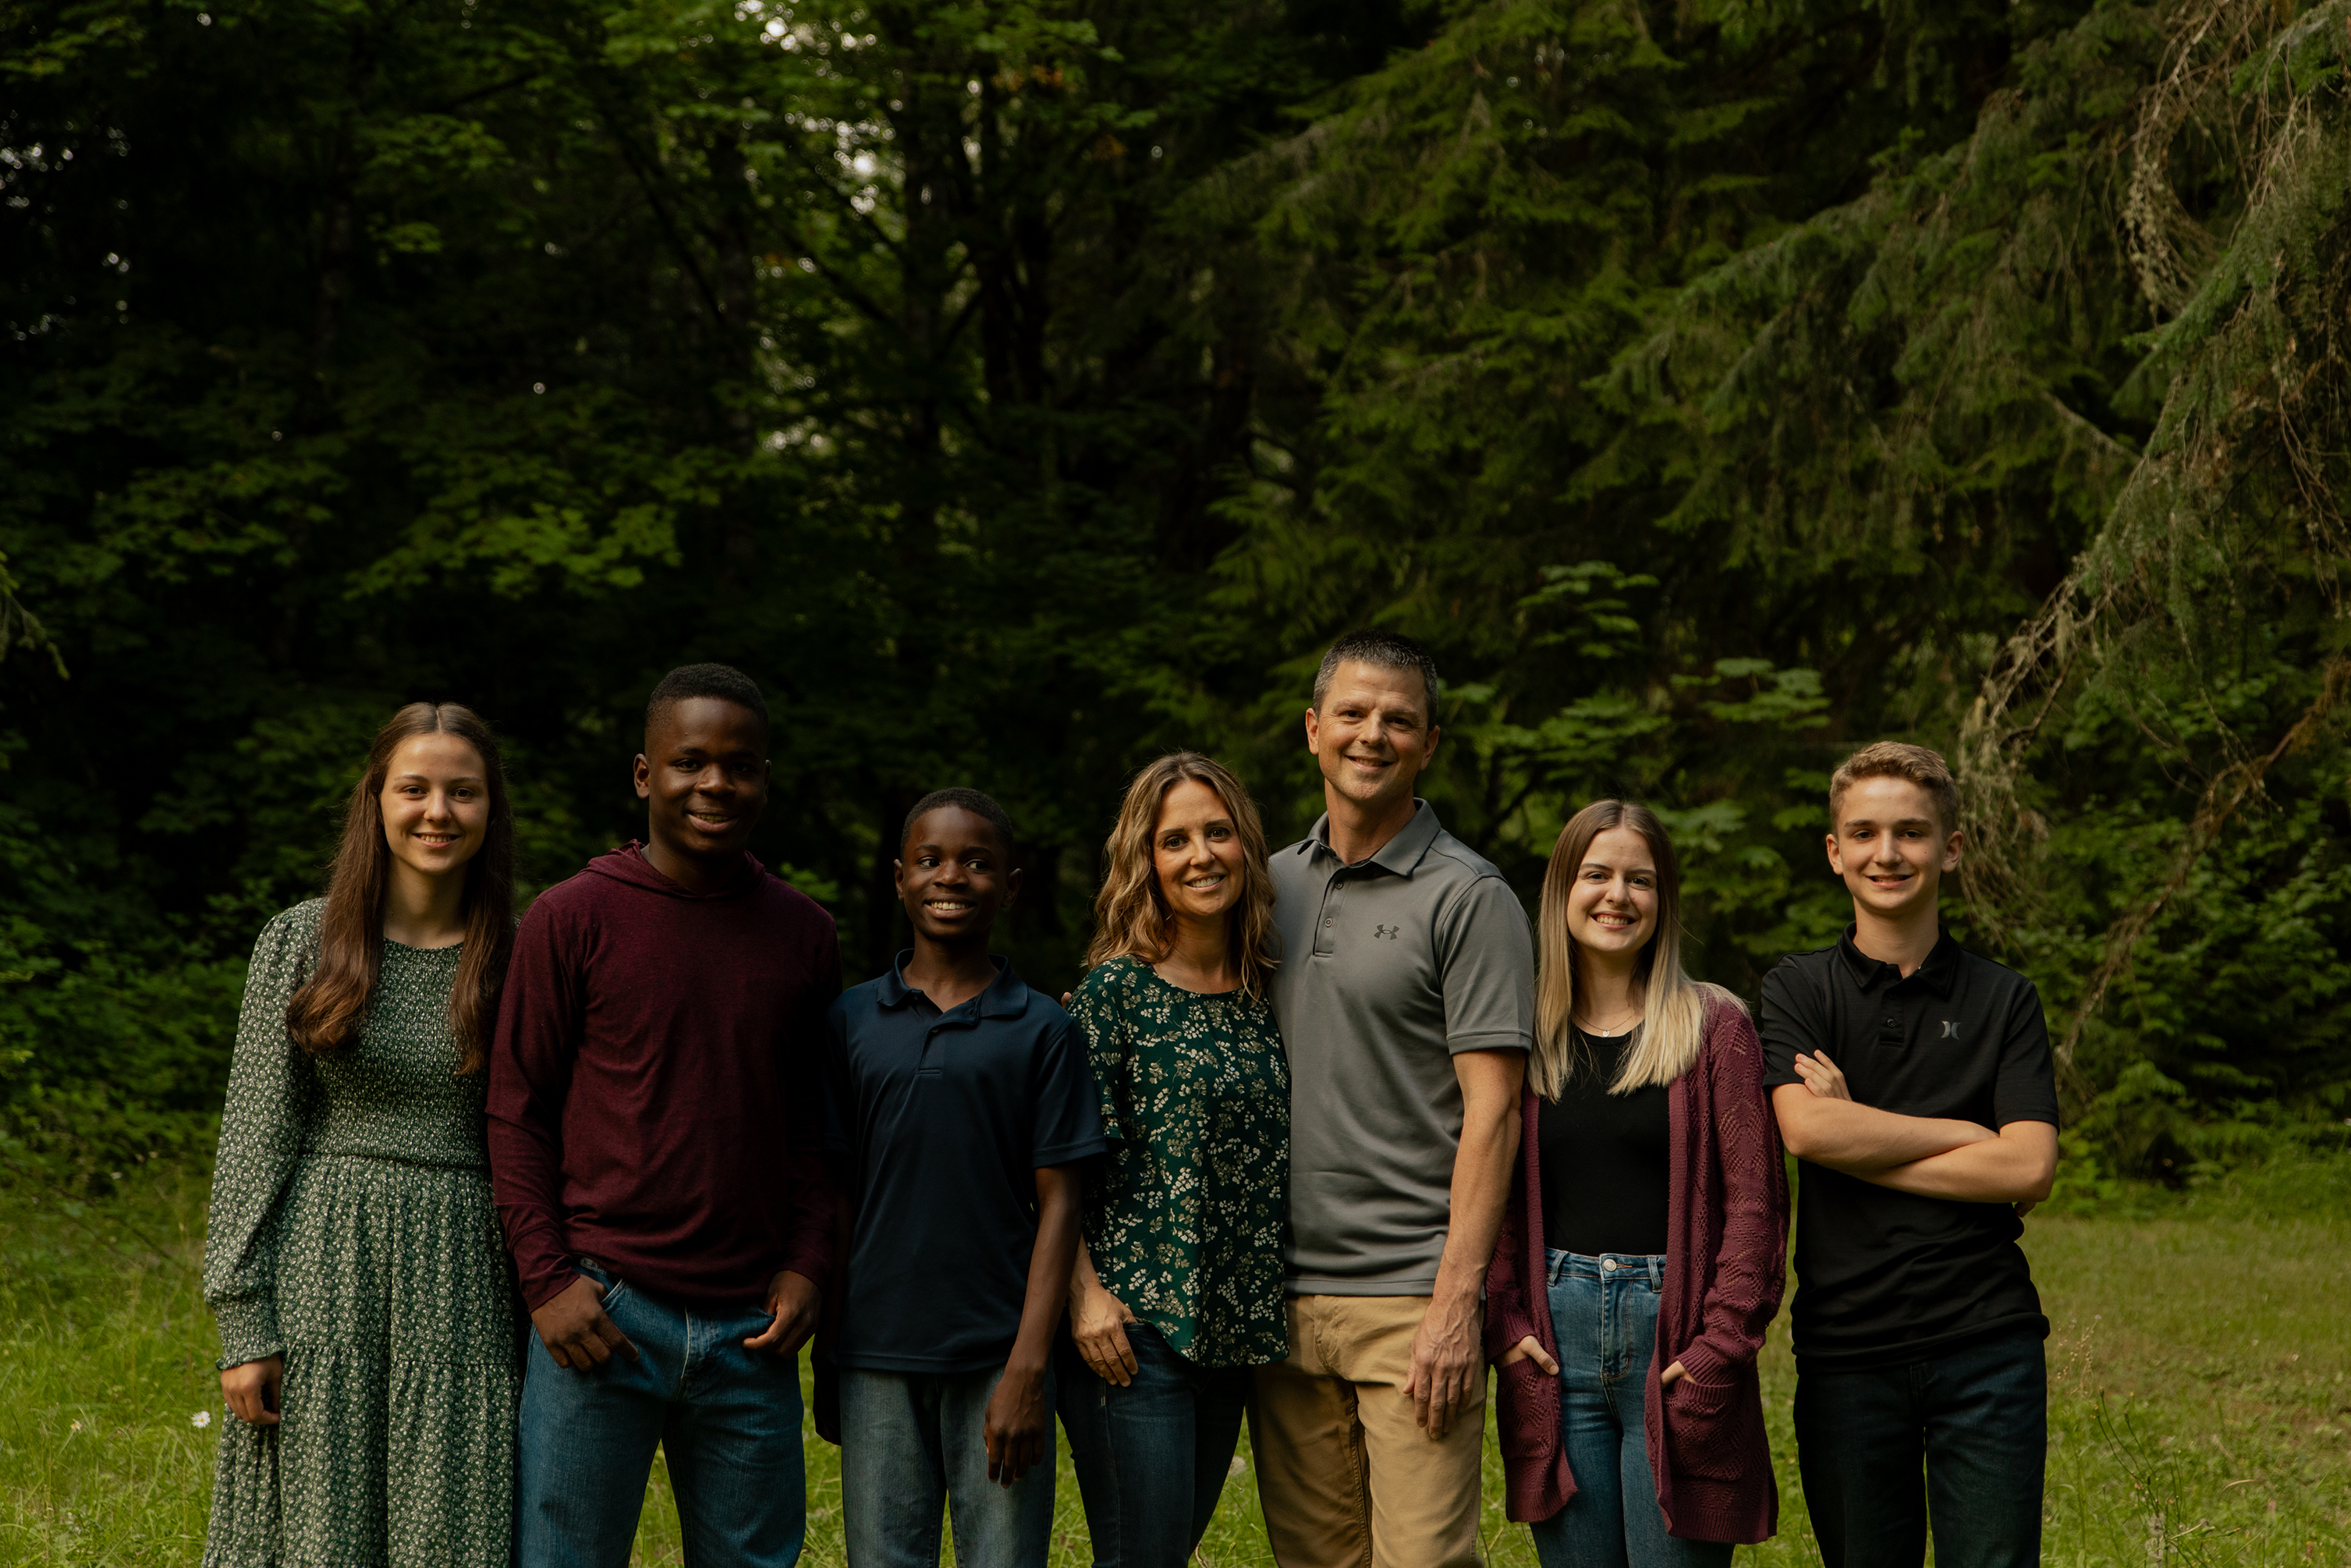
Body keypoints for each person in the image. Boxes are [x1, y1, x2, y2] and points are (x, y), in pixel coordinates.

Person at [488, 663, 838, 1568]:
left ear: (764, 777)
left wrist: (808, 1262)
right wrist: (546, 1281)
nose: (716, 783)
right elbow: (516, 1110)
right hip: (600, 1313)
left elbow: (813, 1120)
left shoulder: (804, 933)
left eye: (740, 764)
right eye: (690, 762)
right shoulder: (571, 918)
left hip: (750, 1330)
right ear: (645, 775)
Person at [203, 701, 521, 1568]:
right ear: (376, 799)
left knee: (450, 1524)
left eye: (463, 793)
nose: (437, 812)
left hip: (466, 1287)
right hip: (325, 1277)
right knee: (319, 1527)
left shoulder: (519, 961)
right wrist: (245, 1324)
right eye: (413, 788)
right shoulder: (303, 941)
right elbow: (254, 1141)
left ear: (490, 811)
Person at [1251, 629, 1536, 1568]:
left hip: (1409, 1299)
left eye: (1398, 720)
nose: (1371, 735)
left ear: (1429, 743)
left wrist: (1457, 1306)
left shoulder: (1470, 897)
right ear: (1312, 730)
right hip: (1280, 1300)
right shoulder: (1267, 886)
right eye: (1352, 714)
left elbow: (1493, 1114)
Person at [1761, 741, 2059, 1568]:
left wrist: (1859, 1123)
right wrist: (1967, 1136)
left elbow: (2027, 1168)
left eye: (1910, 833)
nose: (1885, 854)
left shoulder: (2005, 999)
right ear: (1833, 852)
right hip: (1845, 1352)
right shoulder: (1796, 989)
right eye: (1862, 833)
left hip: (1987, 1348)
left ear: (1950, 848)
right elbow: (1806, 1133)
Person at [1485, 800, 1788, 1568]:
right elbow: (1486, 1195)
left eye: (1638, 880)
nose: (1616, 896)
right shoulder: (1519, 1031)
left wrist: (1721, 1343)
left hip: (1676, 1335)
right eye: (1595, 875)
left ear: (1663, 900)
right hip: (1555, 1344)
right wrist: (1508, 1328)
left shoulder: (1713, 1026)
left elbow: (1756, 1202)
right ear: (1561, 890)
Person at [823, 788, 1108, 1568]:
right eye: (929, 860)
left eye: (976, 863)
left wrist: (1027, 1369)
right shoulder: (850, 1020)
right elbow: (836, 1193)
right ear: (899, 878)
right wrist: (829, 1350)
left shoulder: (1042, 1029)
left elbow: (1060, 1204)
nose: (950, 876)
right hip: (875, 1353)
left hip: (995, 1355)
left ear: (1009, 886)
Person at [1058, 753, 1290, 1568]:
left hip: (1230, 1333)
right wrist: (1083, 1299)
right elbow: (1050, 1165)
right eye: (1175, 840)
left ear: (1244, 845)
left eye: (1216, 833)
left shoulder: (1266, 990)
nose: (1200, 856)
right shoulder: (1113, 995)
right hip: (1132, 1329)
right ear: (1145, 861)